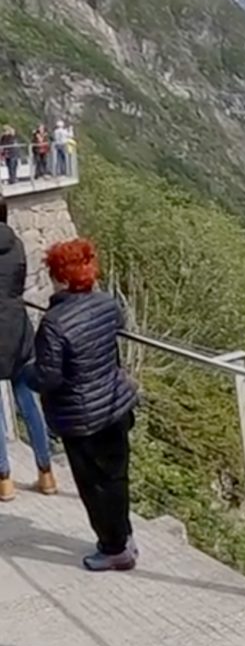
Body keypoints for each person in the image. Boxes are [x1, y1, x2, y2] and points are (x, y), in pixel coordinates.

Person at [32, 238, 137, 571]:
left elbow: (48, 377)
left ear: (59, 276)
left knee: (93, 485)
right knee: (117, 476)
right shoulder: (107, 304)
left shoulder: (54, 323)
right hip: (114, 405)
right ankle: (124, 535)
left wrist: (25, 371)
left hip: (81, 417)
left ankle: (113, 547)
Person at [0, 202, 57, 501]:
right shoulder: (17, 245)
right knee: (28, 400)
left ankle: (4, 480)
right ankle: (46, 473)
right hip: (19, 328)